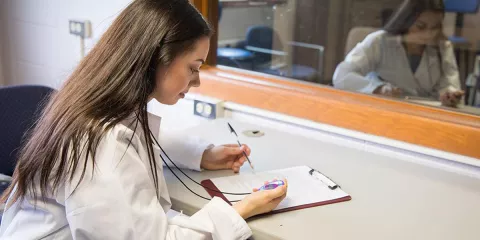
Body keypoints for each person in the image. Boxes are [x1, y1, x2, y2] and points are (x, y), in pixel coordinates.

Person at [0, 0, 288, 239]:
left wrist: (202, 155)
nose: (197, 81)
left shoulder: (99, 104)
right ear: (155, 59)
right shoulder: (102, 140)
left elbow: (141, 139)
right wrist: (239, 210)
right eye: (193, 67)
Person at [333, 0, 464, 107]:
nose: (429, 34)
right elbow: (342, 76)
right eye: (421, 26)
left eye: (435, 27)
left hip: (427, 114)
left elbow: (450, 85)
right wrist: (377, 89)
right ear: (406, 21)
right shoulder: (380, 41)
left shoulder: (443, 47)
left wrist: (449, 95)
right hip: (386, 110)